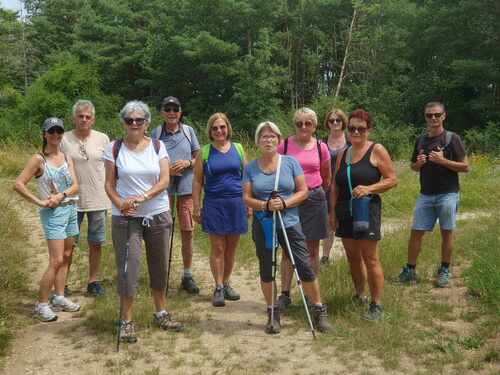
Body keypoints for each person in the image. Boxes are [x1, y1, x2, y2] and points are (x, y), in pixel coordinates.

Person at [104, 101, 183, 344]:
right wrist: (120, 204)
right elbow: (108, 184)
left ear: (148, 122)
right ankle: (126, 320)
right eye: (130, 120)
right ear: (123, 123)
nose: (135, 124)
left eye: (140, 120)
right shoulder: (114, 148)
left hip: (157, 213)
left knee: (159, 265)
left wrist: (142, 197)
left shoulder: (158, 147)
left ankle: (161, 312)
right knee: (129, 268)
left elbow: (164, 180)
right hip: (126, 219)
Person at [243, 121, 330, 334]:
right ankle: (273, 312)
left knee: (303, 264)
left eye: (272, 136)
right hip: (264, 223)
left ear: (279, 140)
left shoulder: (290, 163)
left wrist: (284, 203)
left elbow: (303, 191)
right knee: (267, 267)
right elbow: (246, 197)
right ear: (257, 141)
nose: (268, 140)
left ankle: (318, 309)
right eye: (264, 136)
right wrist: (264, 205)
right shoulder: (250, 168)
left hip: (290, 222)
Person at [329, 109, 397, 321]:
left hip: (367, 211)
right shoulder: (342, 153)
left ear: (369, 129)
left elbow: (392, 179)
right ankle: (360, 295)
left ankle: (377, 304)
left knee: (370, 258)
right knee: (352, 258)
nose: (356, 132)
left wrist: (369, 189)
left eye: (361, 128)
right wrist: (332, 213)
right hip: (345, 211)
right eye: (352, 128)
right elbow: (334, 186)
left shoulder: (376, 150)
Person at [14, 117, 81, 322]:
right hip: (53, 214)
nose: (55, 135)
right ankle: (41, 304)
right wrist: (40, 202)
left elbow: (75, 186)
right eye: (51, 131)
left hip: (70, 208)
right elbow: (18, 184)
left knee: (68, 255)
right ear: (44, 134)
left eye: (59, 131)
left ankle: (59, 296)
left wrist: (61, 195)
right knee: (56, 260)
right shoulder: (38, 159)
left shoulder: (67, 157)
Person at [398, 101, 468, 287]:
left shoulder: (452, 139)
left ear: (444, 115)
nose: (433, 118)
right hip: (426, 194)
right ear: (425, 117)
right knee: (416, 233)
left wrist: (443, 161)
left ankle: (444, 269)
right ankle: (410, 270)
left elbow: (465, 166)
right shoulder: (420, 140)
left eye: (437, 114)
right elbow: (413, 166)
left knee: (446, 232)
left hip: (448, 194)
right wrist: (418, 164)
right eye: (429, 115)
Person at [277, 107, 331, 310]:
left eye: (308, 123)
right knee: (287, 249)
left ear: (315, 126)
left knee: (312, 249)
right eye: (299, 123)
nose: (303, 127)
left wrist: (314, 190)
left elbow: (327, 177)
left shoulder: (321, 147)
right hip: (290, 200)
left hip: (314, 199)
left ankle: (311, 294)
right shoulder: (285, 145)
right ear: (294, 125)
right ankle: (284, 293)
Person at [192, 113, 247, 307]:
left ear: (227, 128)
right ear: (210, 131)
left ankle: (226, 282)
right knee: (218, 248)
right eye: (215, 128)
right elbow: (197, 181)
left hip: (236, 203)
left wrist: (248, 203)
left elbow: (246, 178)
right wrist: (196, 206)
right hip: (214, 204)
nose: (219, 131)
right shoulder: (204, 152)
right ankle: (217, 287)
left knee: (231, 248)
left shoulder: (238, 149)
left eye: (222, 127)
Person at [151, 96, 201, 295]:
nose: (172, 112)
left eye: (175, 109)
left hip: (187, 189)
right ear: (162, 112)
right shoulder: (156, 133)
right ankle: (161, 275)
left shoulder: (189, 132)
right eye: (168, 109)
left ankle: (187, 275)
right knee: (162, 231)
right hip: (163, 190)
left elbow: (199, 157)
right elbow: (149, 159)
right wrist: (166, 170)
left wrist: (187, 163)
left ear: (180, 112)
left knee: (188, 232)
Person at [60, 100, 110, 296]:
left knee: (96, 243)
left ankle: (93, 281)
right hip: (71, 200)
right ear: (74, 118)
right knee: (68, 245)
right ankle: (62, 283)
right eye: (80, 116)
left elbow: (110, 168)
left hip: (97, 198)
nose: (84, 119)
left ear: (93, 119)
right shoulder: (64, 139)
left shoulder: (103, 139)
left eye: (88, 116)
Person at [321, 107, 350, 265]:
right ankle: (325, 256)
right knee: (329, 222)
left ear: (343, 122)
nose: (335, 123)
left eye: (338, 120)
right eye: (332, 120)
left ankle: (350, 256)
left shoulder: (351, 141)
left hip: (346, 186)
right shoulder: (322, 143)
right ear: (328, 123)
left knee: (347, 220)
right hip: (326, 186)